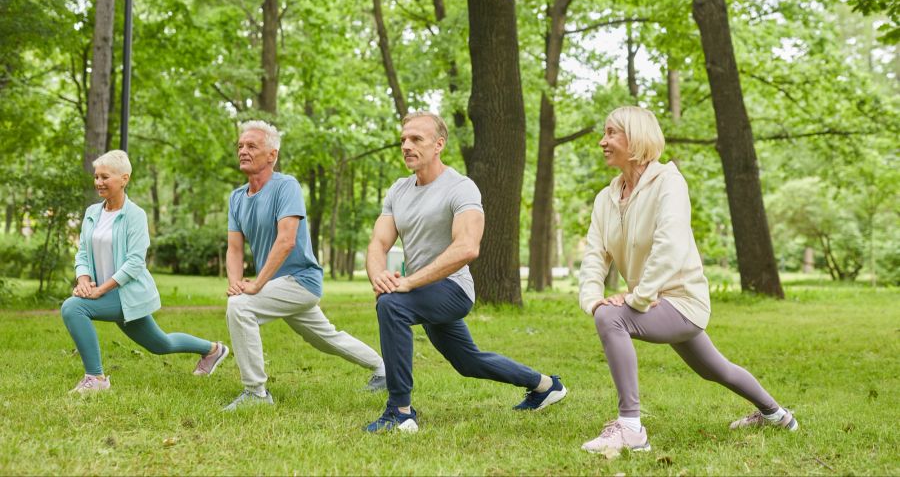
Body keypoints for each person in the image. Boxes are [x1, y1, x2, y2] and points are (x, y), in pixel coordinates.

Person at [577, 106, 798, 455]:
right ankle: (778, 415)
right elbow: (594, 255)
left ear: (635, 137)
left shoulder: (668, 182)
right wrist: (593, 299)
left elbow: (671, 245)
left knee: (612, 318)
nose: (603, 142)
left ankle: (631, 429)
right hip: (652, 301)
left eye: (611, 133)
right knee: (717, 370)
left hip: (681, 302)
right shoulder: (606, 199)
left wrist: (637, 298)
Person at [364, 111, 567, 433]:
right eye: (403, 139)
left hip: (452, 289)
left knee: (391, 306)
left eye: (416, 139)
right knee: (467, 362)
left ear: (439, 144)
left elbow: (467, 247)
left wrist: (407, 283)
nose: (406, 145)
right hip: (421, 291)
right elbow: (378, 242)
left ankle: (399, 412)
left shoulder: (461, 187)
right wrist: (379, 276)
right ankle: (545, 386)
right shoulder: (398, 191)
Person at [223, 120, 385, 410]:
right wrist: (235, 283)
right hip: (277, 284)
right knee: (324, 339)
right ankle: (385, 370)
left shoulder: (286, 186)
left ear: (272, 155)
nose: (243, 151)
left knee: (241, 307)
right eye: (240, 146)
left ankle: (256, 394)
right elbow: (234, 249)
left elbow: (286, 240)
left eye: (251, 146)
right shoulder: (236, 198)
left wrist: (256, 285)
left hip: (301, 280)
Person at [62, 150, 229, 394]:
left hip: (127, 294)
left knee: (73, 307)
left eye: (105, 177)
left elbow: (134, 263)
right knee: (160, 343)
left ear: (124, 179)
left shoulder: (135, 216)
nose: (98, 182)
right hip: (104, 292)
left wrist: (100, 290)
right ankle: (213, 350)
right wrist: (84, 280)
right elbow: (83, 253)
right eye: (96, 176)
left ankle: (96, 379)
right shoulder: (92, 213)